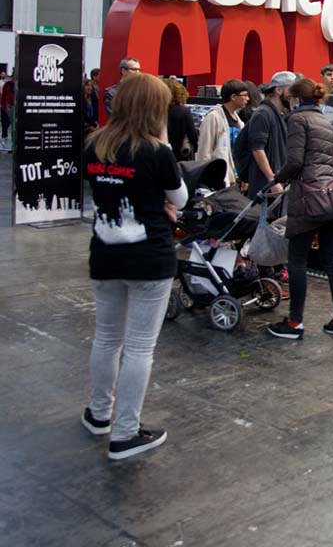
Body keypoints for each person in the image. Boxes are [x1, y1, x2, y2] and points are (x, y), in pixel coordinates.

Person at [81, 73, 187, 460]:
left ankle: (99, 413)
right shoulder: (158, 152)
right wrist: (160, 200)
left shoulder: (95, 145)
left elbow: (106, 191)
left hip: (105, 253)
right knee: (140, 348)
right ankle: (126, 432)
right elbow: (181, 198)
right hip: (150, 257)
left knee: (106, 338)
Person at [266, 78, 333, 340]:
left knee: (297, 260)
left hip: (308, 197)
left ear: (295, 98)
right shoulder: (324, 120)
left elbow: (295, 161)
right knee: (332, 260)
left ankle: (295, 323)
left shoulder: (297, 119)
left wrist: (276, 179)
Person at [244, 71, 296, 199]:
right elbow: (257, 149)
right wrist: (272, 179)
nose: (294, 95)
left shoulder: (280, 114)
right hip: (264, 184)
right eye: (292, 90)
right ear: (278, 90)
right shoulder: (263, 113)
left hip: (276, 182)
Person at [197, 80, 249, 188]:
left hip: (235, 178)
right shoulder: (214, 117)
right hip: (218, 179)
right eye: (244, 95)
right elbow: (204, 149)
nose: (247, 99)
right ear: (233, 97)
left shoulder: (239, 121)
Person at [165, 79, 198, 162]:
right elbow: (193, 135)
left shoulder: (157, 110)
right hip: (180, 155)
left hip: (161, 153)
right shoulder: (184, 111)